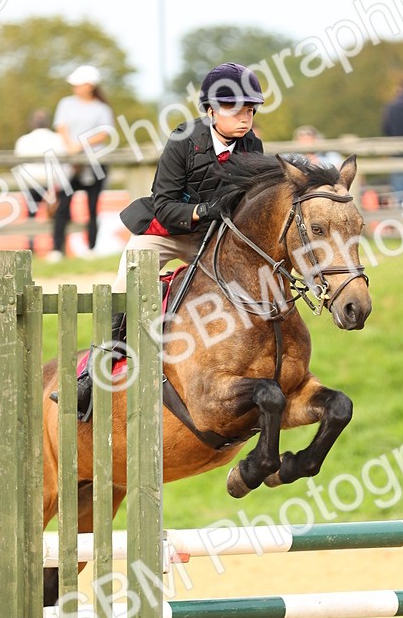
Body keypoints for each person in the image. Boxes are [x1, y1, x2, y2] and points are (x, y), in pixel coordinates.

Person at [62, 63, 265, 420]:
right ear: (211, 110)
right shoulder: (183, 140)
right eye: (235, 109)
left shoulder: (253, 145)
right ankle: (96, 369)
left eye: (249, 109)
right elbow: (165, 204)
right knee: (126, 278)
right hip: (169, 232)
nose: (244, 117)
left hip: (214, 238)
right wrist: (203, 209)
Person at [48, 65, 115, 261]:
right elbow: (61, 127)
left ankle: (91, 247)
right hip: (69, 163)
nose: (75, 88)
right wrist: (71, 148)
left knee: (92, 206)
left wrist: (81, 145)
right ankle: (57, 249)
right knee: (63, 205)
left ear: (90, 85)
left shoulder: (102, 108)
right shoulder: (66, 104)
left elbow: (104, 133)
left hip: (94, 163)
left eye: (79, 84)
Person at [13, 109, 69, 252]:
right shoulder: (57, 139)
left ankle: (31, 245)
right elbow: (64, 163)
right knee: (60, 213)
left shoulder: (23, 140)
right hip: (53, 184)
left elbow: (19, 166)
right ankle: (57, 247)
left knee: (31, 214)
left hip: (31, 183)